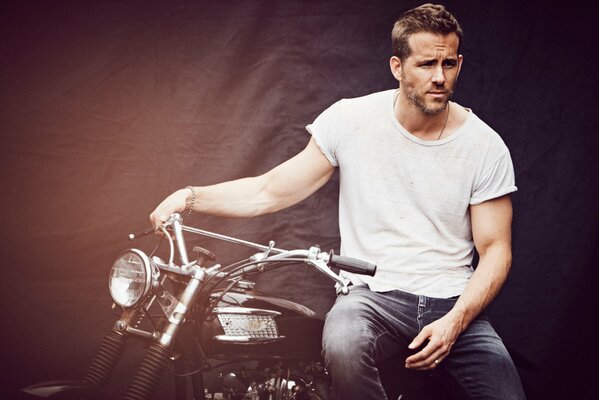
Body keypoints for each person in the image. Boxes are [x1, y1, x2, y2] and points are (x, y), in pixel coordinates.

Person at [150, 3, 526, 399]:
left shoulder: (484, 146)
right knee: (343, 344)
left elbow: (496, 251)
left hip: (452, 300)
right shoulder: (351, 120)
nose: (439, 77)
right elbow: (269, 190)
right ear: (397, 67)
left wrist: (455, 322)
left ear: (459, 63)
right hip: (371, 297)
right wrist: (190, 197)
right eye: (426, 64)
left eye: (448, 64)